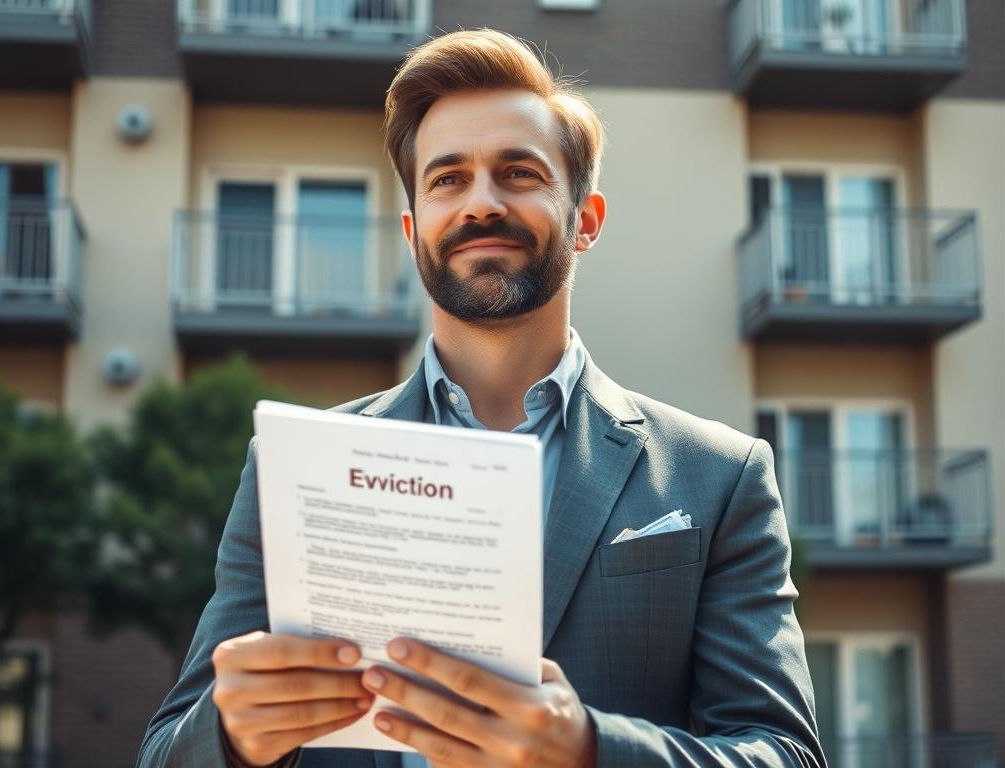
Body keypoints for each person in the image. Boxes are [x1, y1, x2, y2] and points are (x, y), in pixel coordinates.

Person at [138, 29, 826, 768]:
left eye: (519, 173)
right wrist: (234, 736)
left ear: (585, 220)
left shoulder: (719, 476)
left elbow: (784, 751)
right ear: (413, 231)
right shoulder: (291, 468)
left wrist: (590, 749)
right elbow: (164, 753)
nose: (481, 203)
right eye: (447, 179)